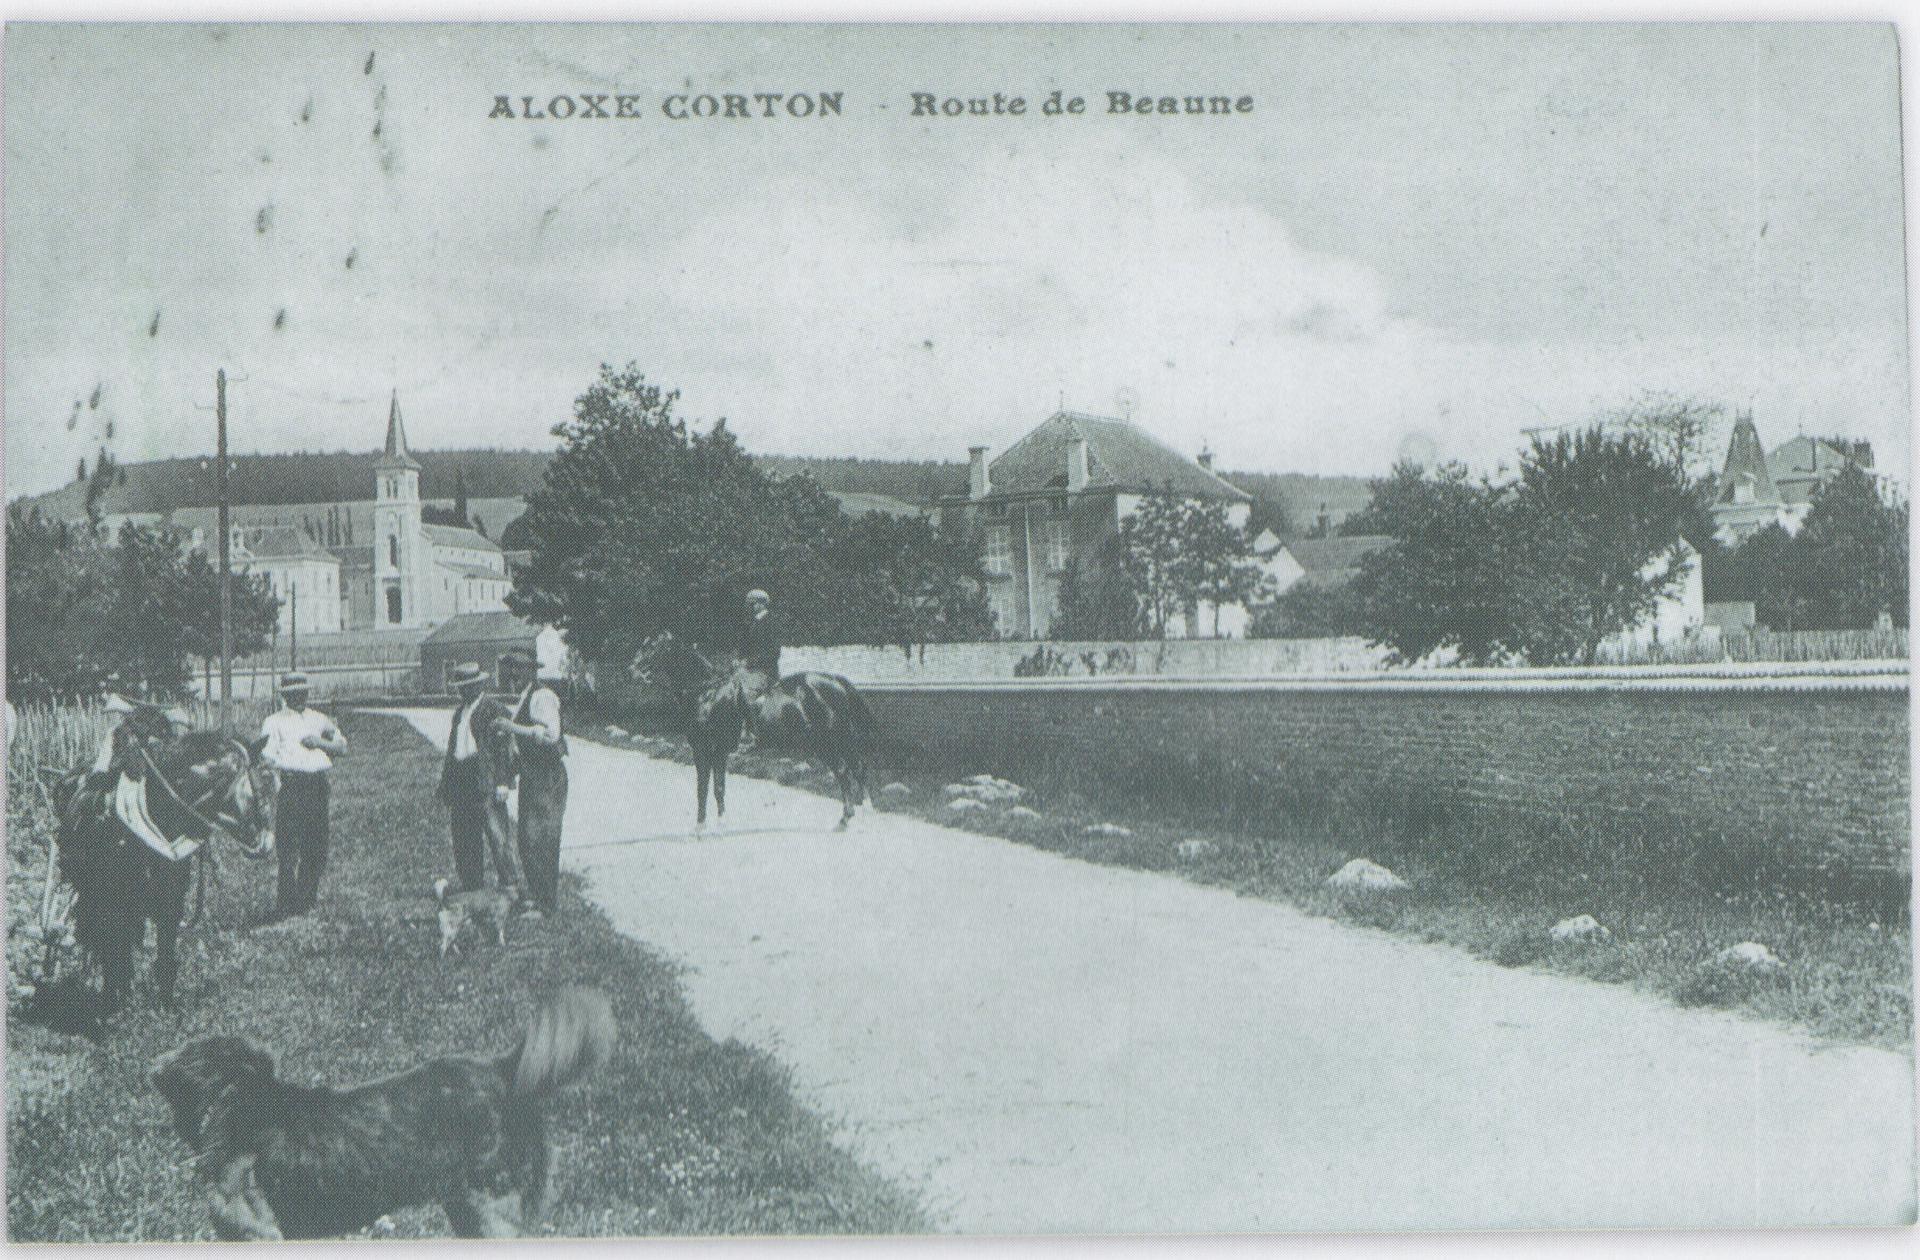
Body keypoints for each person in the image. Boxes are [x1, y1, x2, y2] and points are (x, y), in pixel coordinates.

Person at [436, 661, 530, 912]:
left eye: (469, 686)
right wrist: (446, 785)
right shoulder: (459, 713)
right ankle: (473, 894)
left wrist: (504, 781)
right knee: (464, 839)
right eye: (461, 687)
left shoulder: (493, 709)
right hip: (461, 780)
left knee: (498, 838)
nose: (464, 691)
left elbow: (507, 748)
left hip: (486, 780)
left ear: (479, 685)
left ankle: (512, 894)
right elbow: (452, 749)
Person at [258, 672, 346, 917]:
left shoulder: (319, 720)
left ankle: (306, 900)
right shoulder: (274, 722)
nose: (299, 697)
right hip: (292, 786)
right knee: (288, 848)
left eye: (303, 692)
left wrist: (319, 743)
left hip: (317, 785)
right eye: (294, 693)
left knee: (316, 844)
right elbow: (266, 757)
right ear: (285, 696)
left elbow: (342, 747)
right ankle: (286, 903)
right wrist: (271, 775)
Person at [494, 648, 568, 916]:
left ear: (532, 670)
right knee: (527, 838)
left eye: (519, 668)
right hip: (532, 774)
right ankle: (538, 896)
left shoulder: (542, 696)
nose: (513, 673)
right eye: (511, 667)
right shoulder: (525, 696)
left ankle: (546, 903)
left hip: (547, 775)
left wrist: (511, 728)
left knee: (543, 839)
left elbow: (551, 735)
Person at [735, 589, 782, 751]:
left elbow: (774, 653)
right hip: (750, 671)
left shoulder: (771, 622)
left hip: (766, 672)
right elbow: (746, 647)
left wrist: (750, 662)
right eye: (750, 604)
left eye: (753, 604)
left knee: (747, 695)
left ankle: (755, 738)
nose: (751, 607)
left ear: (762, 604)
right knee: (731, 688)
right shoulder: (752, 623)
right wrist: (739, 659)